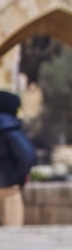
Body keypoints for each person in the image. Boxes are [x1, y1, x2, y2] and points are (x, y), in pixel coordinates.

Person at [0, 90, 37, 228]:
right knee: (12, 232)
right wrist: (20, 177)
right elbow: (27, 156)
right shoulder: (11, 132)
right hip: (9, 188)